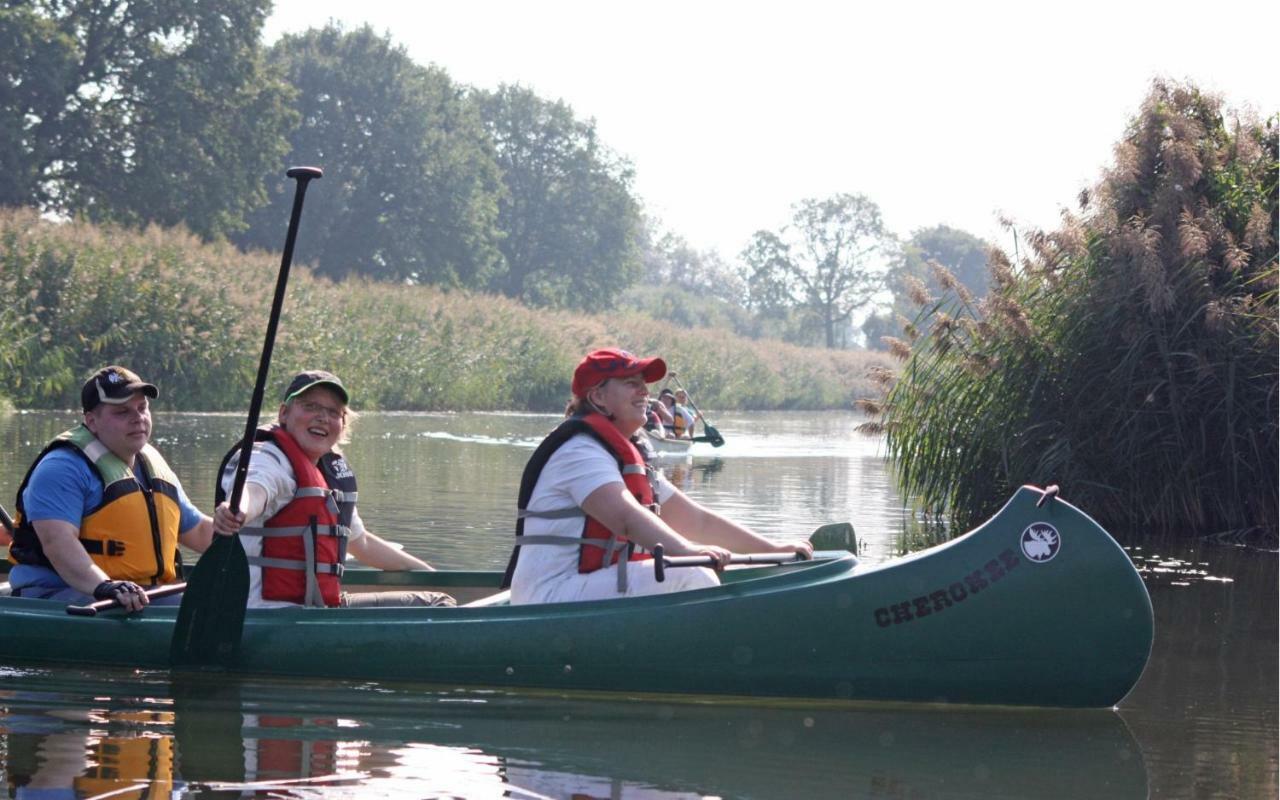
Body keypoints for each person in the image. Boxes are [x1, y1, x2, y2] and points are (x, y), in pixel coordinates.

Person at [503, 348, 811, 604]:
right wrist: (688, 552)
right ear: (597, 397)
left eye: (643, 383)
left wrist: (773, 549)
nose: (644, 392)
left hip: (586, 587)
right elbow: (626, 518)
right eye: (629, 383)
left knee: (692, 568)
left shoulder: (627, 453)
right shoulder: (579, 452)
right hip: (550, 596)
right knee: (691, 574)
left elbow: (697, 521)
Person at [212, 370, 454, 608]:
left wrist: (430, 574)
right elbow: (255, 489)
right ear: (284, 413)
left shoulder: (329, 472)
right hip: (266, 618)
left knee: (438, 595)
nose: (322, 417)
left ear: (342, 424)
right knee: (438, 605)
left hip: (312, 610)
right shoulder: (267, 457)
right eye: (310, 407)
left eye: (332, 412)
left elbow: (362, 544)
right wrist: (236, 511)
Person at [7, 366, 217, 611]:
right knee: (198, 613)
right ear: (91, 421)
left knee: (223, 603)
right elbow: (58, 544)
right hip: (59, 596)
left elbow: (201, 532)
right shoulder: (61, 468)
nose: (137, 418)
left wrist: (256, 553)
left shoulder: (150, 463)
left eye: (142, 408)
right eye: (122, 412)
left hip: (138, 595)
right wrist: (106, 586)